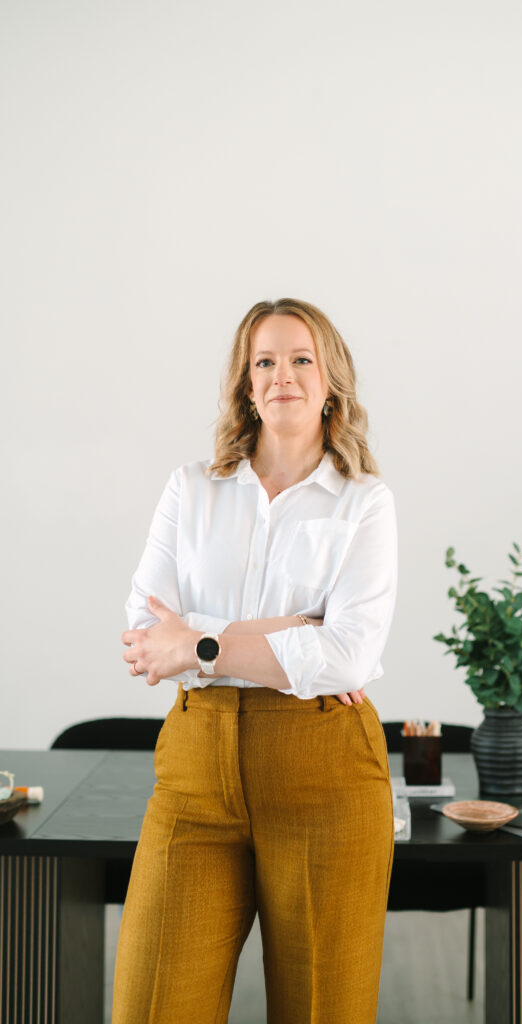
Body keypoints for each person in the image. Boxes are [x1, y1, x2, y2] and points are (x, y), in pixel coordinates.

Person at [112, 297, 398, 1024]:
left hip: (324, 778)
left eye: (301, 359)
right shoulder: (191, 488)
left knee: (320, 1011)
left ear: (330, 378)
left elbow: (348, 655)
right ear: (245, 382)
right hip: (194, 774)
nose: (283, 376)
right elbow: (145, 634)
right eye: (264, 361)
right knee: (152, 1005)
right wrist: (291, 632)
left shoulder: (364, 503)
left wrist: (202, 643)